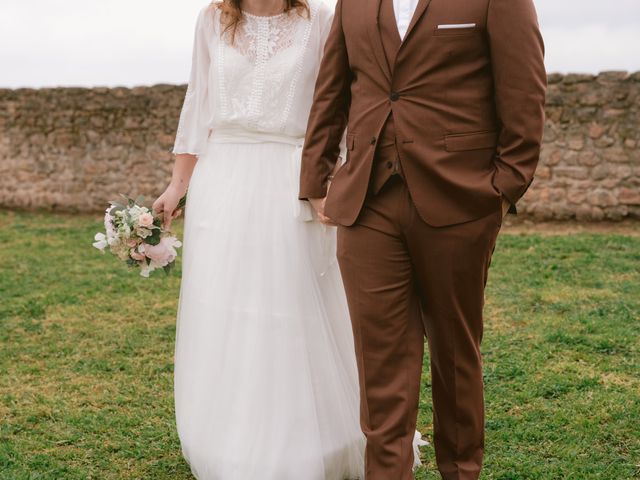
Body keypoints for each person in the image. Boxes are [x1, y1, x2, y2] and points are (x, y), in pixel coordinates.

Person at [152, 0, 426, 478]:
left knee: (292, 304)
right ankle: (229, 438)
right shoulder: (212, 18)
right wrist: (178, 185)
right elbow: (198, 101)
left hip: (295, 178)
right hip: (225, 180)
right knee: (227, 307)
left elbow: (339, 99)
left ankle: (308, 439)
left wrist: (334, 179)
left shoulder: (319, 18)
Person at [299, 0, 547, 478]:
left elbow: (524, 91)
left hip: (459, 199)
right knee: (380, 361)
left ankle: (461, 470)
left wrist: (501, 190)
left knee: (455, 352)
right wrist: (315, 179)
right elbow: (331, 91)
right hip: (367, 201)